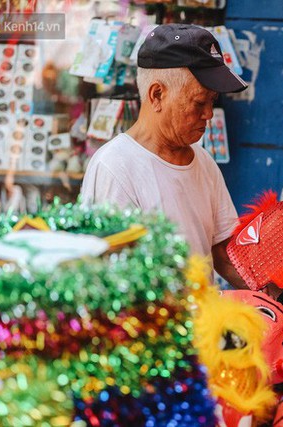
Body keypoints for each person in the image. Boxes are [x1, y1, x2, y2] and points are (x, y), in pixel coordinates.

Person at [80, 24, 248, 288]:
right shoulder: (114, 167)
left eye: (212, 101)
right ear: (157, 95)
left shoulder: (203, 162)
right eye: (198, 102)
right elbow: (108, 274)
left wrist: (278, 295)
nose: (208, 114)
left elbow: (224, 249)